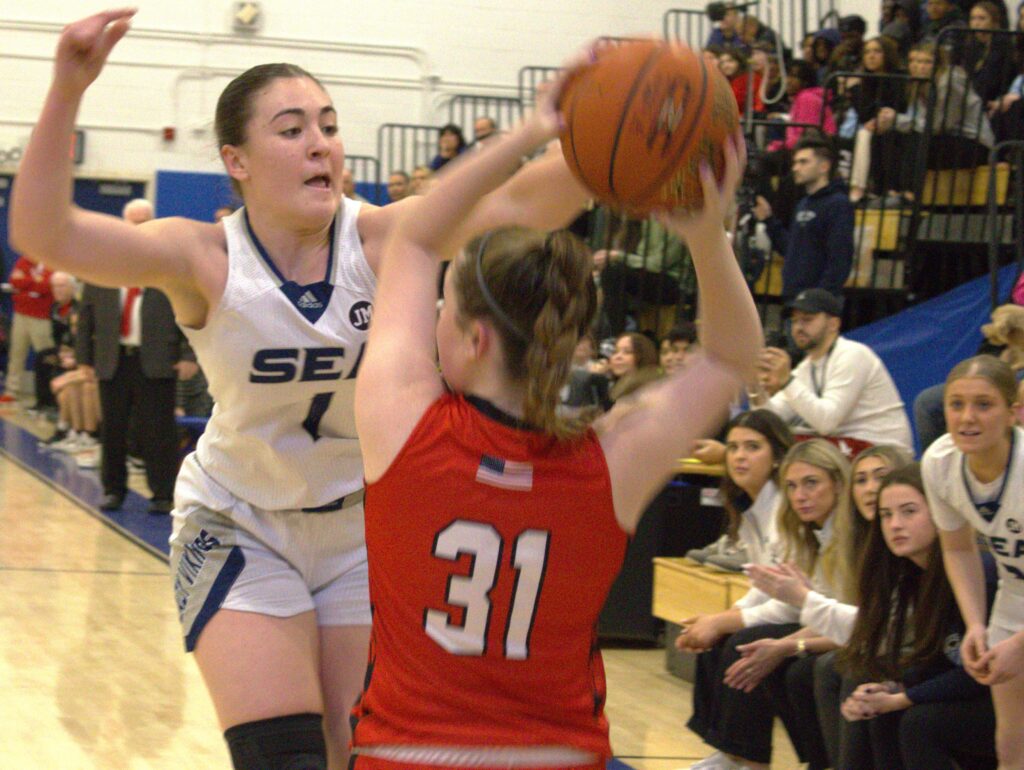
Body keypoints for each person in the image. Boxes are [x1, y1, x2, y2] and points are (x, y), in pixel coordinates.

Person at [8, 10, 591, 769]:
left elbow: (520, 206)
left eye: (329, 125)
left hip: (356, 531)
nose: (321, 143)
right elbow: (48, 235)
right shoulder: (203, 256)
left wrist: (629, 138)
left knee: (357, 754)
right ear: (237, 161)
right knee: (284, 757)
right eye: (291, 129)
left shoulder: (386, 238)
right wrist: (66, 87)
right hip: (239, 520)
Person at [350, 79, 761, 766]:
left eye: (445, 312)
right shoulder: (610, 460)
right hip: (557, 753)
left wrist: (534, 130)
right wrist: (703, 231)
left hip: (407, 751)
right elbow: (730, 356)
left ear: (476, 338)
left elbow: (414, 240)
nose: (434, 322)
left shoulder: (403, 422)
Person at [683, 439, 856, 770]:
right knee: (744, 645)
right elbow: (771, 590)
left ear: (837, 483)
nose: (800, 495)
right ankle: (732, 755)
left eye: (811, 483)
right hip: (827, 625)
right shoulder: (803, 529)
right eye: (792, 486)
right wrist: (724, 619)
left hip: (847, 631)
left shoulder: (849, 535)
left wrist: (784, 644)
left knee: (763, 652)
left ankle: (760, 759)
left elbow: (829, 614)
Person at [834, 464, 999, 770]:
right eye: (886, 515)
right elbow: (939, 658)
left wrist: (904, 697)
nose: (895, 524)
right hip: (978, 691)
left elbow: (980, 672)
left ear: (941, 516)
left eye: (909, 511)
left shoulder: (978, 573)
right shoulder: (915, 576)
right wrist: (892, 689)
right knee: (877, 703)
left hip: (1007, 696)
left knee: (920, 723)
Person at [924, 355, 1024, 769]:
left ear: (1013, 412)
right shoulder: (939, 462)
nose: (967, 417)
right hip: (1014, 596)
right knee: (1011, 744)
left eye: (984, 404)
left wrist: (1020, 644)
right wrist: (976, 624)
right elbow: (959, 548)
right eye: (956, 403)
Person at [753, 288, 914, 453]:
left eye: (807, 319)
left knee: (790, 448)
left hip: (884, 451)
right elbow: (769, 423)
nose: (798, 327)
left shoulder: (853, 355)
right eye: (794, 321)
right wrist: (754, 386)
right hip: (850, 446)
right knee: (769, 442)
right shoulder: (807, 367)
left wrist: (787, 381)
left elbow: (826, 423)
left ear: (833, 324)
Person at [754, 135, 853, 302]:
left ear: (824, 166)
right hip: (794, 298)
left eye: (803, 162)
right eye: (795, 162)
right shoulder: (803, 204)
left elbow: (840, 259)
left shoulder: (839, 204)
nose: (795, 168)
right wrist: (769, 220)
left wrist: (820, 300)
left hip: (816, 304)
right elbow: (791, 249)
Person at [1, 255, 54, 407]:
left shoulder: (50, 263)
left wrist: (26, 285)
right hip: (21, 314)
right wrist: (34, 282)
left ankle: (49, 394)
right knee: (16, 353)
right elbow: (14, 281)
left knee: (46, 356)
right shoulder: (25, 261)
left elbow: (46, 287)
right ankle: (11, 392)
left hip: (41, 317)